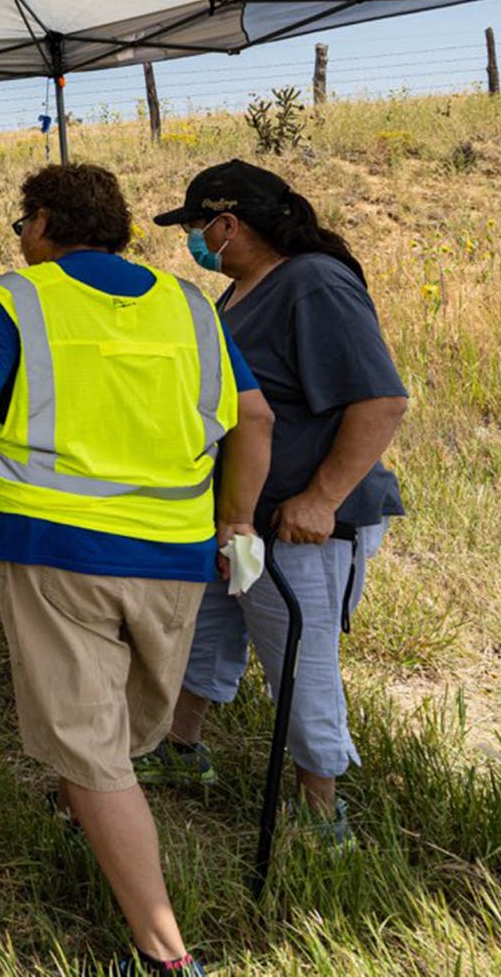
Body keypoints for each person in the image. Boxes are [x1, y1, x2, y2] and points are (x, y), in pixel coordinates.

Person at [0, 163, 272, 977]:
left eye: (20, 225)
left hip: (60, 551)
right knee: (122, 732)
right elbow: (253, 416)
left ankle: (166, 958)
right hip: (178, 556)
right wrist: (237, 522)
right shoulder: (187, 303)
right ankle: (88, 808)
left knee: (92, 750)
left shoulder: (17, 298)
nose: (18, 242)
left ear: (43, 221)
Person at [141, 161, 409, 847]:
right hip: (242, 516)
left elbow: (380, 401)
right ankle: (182, 748)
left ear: (227, 225)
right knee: (209, 633)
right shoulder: (242, 292)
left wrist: (320, 499)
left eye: (197, 227)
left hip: (302, 528)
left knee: (298, 656)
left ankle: (321, 810)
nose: (194, 241)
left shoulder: (313, 284)